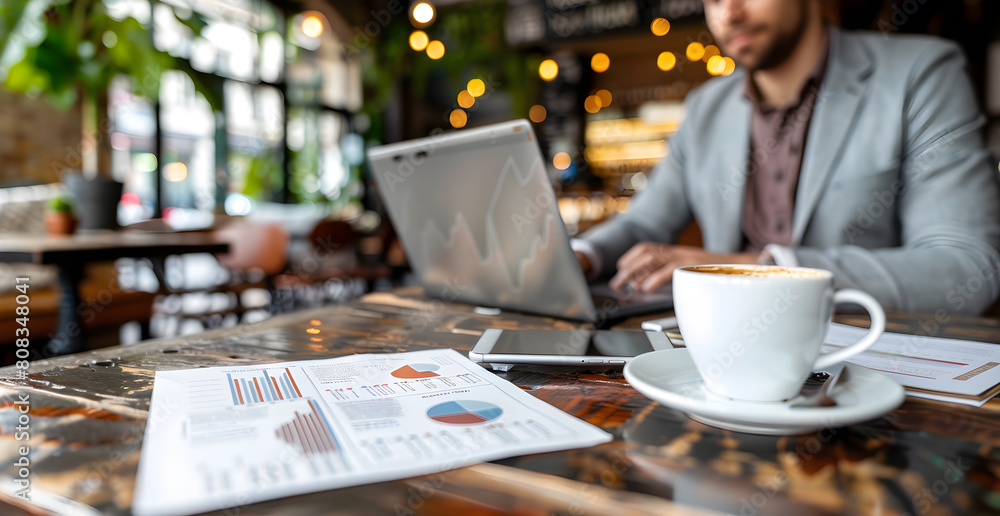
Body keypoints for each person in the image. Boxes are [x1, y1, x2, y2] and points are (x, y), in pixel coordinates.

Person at [573, 0, 1000, 315]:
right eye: (712, 0)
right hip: (719, 348)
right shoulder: (707, 106)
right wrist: (582, 256)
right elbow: (644, 222)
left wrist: (760, 268)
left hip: (862, 361)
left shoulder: (920, 74)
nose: (729, 13)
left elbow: (965, 266)